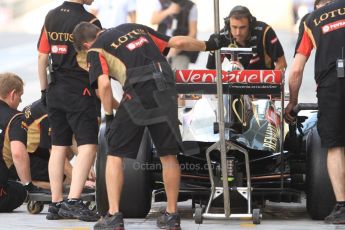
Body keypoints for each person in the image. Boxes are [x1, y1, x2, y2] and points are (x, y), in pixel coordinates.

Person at [72, 21, 221, 229]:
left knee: (114, 154)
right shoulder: (134, 27)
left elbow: (103, 86)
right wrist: (209, 45)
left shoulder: (95, 50)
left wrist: (109, 115)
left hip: (138, 89)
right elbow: (177, 41)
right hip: (166, 84)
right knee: (168, 155)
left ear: (85, 45)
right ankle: (171, 215)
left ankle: (113, 215)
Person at [37, 0, 101, 221]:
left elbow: (42, 56)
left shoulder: (50, 16)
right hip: (79, 89)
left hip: (55, 88)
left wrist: (44, 91)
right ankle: (73, 201)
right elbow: (96, 59)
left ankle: (55, 204)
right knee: (88, 145)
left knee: (58, 146)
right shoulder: (90, 21)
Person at [284, 0, 345, 225]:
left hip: (333, 84)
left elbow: (297, 68)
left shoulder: (311, 20)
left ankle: (342, 207)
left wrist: (293, 101)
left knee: (335, 144)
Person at [206, 5, 287, 71]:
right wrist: (212, 47)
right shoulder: (222, 36)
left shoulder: (265, 32)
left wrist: (271, 87)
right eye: (234, 27)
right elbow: (211, 70)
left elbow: (282, 63)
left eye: (242, 27)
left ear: (251, 25)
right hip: (235, 84)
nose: (238, 33)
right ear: (228, 25)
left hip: (264, 84)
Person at [0, 72, 34, 212]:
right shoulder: (15, 118)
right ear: (12, 94)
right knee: (19, 189)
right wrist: (27, 184)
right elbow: (18, 154)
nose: (20, 101)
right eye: (20, 96)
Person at [151, 0, 199, 70]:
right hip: (162, 50)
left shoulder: (191, 6)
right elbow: (153, 21)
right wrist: (168, 11)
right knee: (161, 77)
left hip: (181, 51)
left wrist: (178, 48)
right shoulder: (161, 2)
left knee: (179, 77)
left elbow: (193, 33)